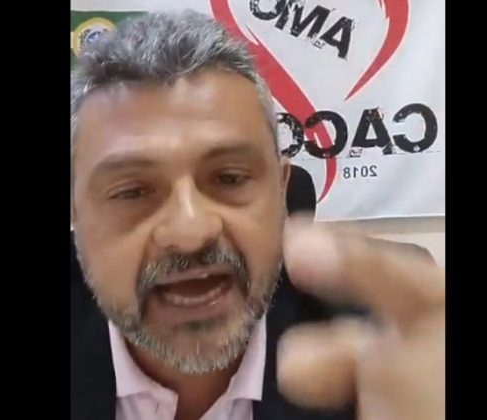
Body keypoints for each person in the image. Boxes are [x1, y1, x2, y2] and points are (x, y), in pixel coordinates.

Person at [71, 10, 444, 420]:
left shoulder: (391, 333)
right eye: (133, 192)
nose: (191, 230)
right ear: (76, 213)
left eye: (229, 178)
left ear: (282, 193)